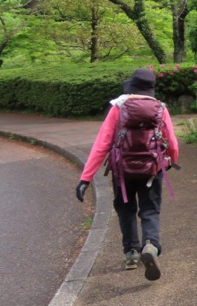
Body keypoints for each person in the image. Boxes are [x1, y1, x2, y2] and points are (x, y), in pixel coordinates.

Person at [75, 68, 179, 280]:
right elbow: (173, 143)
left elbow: (102, 144)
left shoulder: (118, 107)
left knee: (126, 209)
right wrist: (170, 161)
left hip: (123, 171)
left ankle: (131, 252)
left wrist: (86, 178)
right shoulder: (160, 108)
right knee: (150, 210)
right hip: (152, 168)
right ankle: (150, 244)